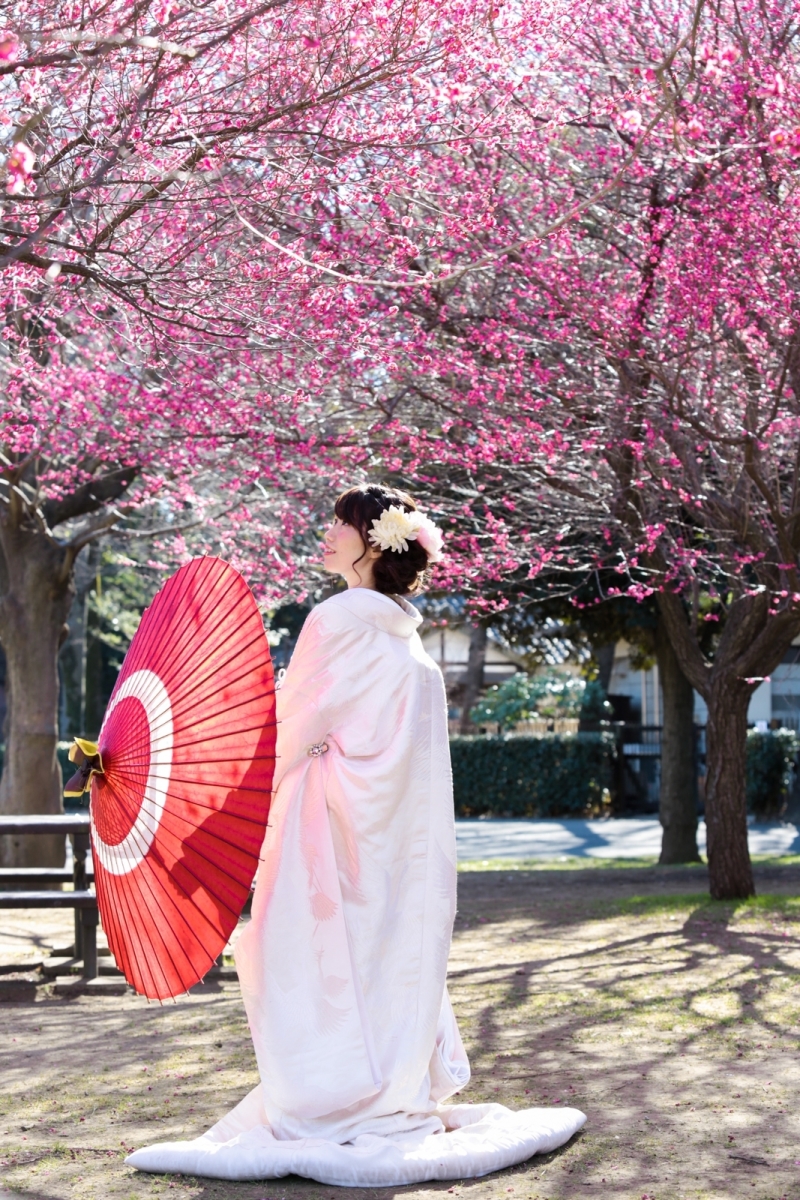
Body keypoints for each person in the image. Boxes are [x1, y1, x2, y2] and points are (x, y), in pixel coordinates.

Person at [127, 484, 585, 1186]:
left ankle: (328, 1098)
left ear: (372, 542)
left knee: (310, 959)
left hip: (332, 834)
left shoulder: (338, 620)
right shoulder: (405, 635)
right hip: (391, 839)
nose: (327, 534)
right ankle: (386, 1090)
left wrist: (207, 789)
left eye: (339, 525)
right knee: (384, 957)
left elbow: (287, 730)